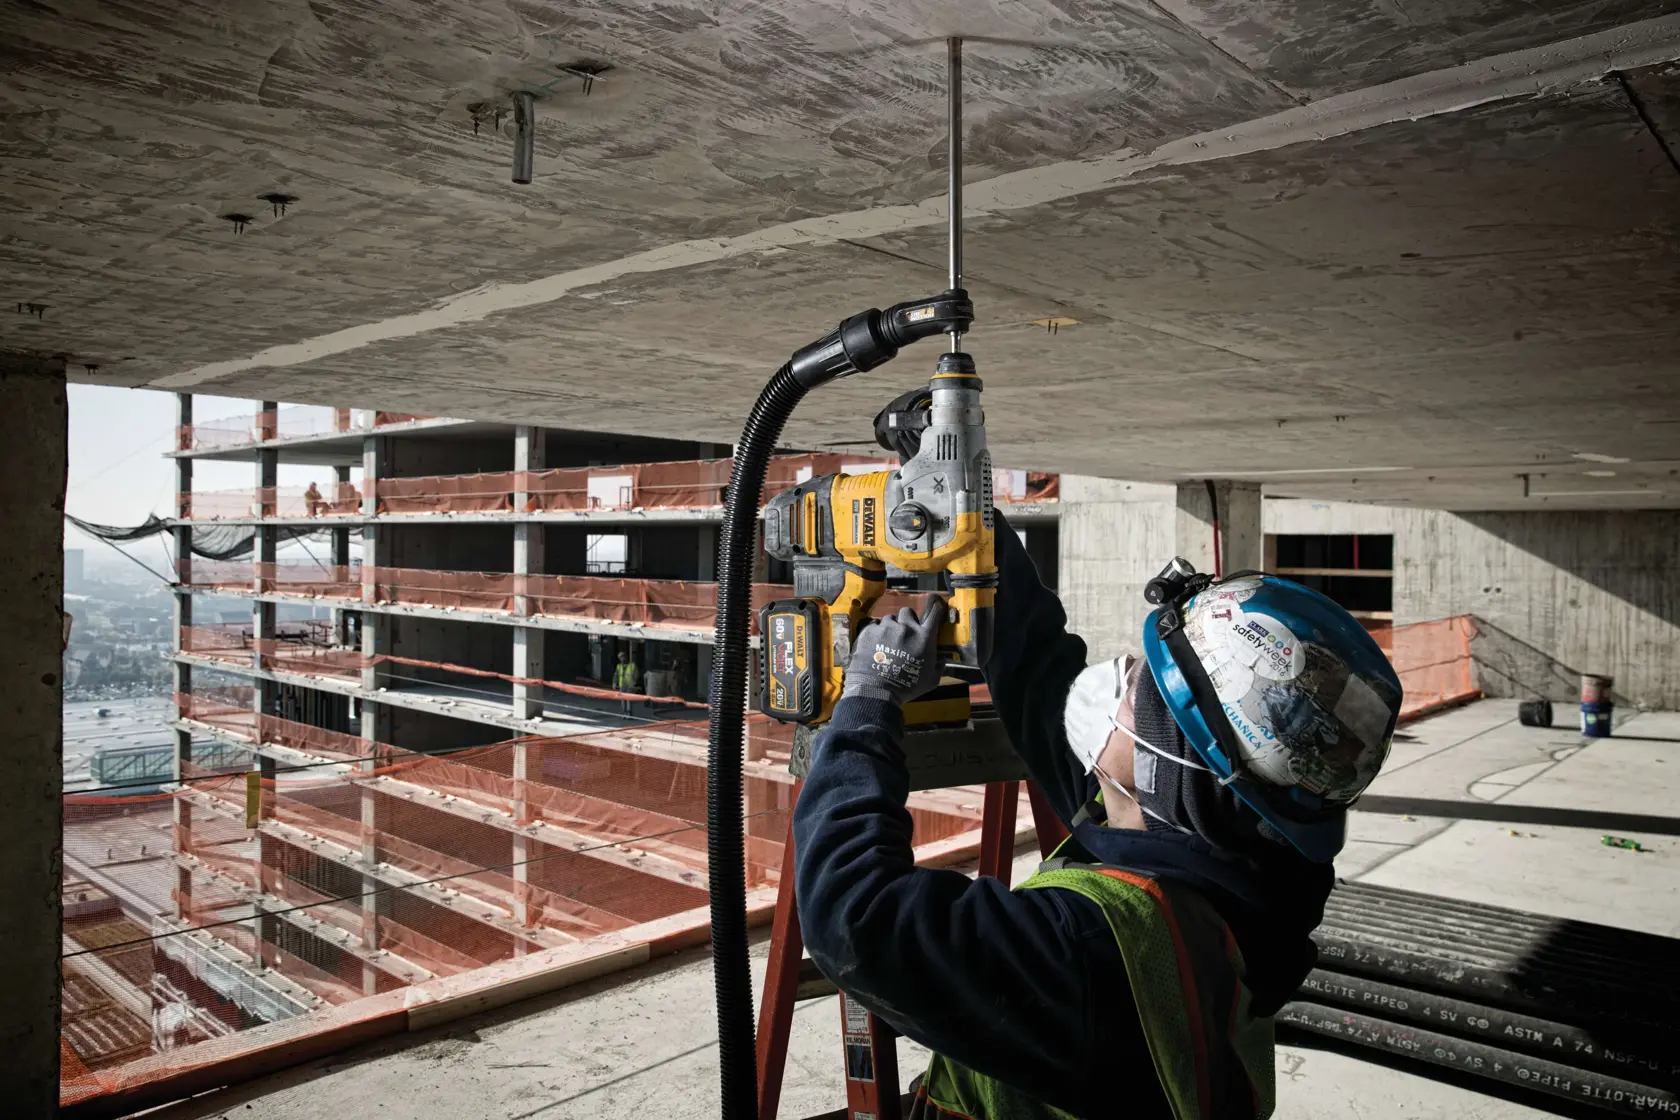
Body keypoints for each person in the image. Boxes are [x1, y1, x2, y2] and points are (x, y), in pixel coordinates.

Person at [794, 513, 1403, 1119]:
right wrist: (969, 513)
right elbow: (1040, 679)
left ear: (1165, 766)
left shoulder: (1093, 951)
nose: (1119, 678)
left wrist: (869, 700)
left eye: (1141, 684)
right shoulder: (1232, 857)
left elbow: (855, 915)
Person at [613, 650, 640, 715]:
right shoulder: (619, 666)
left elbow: (637, 674)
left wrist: (634, 682)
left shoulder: (632, 665)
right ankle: (624, 712)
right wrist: (614, 683)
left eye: (622, 657)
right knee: (623, 700)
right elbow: (616, 675)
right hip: (622, 685)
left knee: (629, 699)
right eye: (620, 658)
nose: (621, 659)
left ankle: (629, 712)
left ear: (625, 657)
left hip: (630, 685)